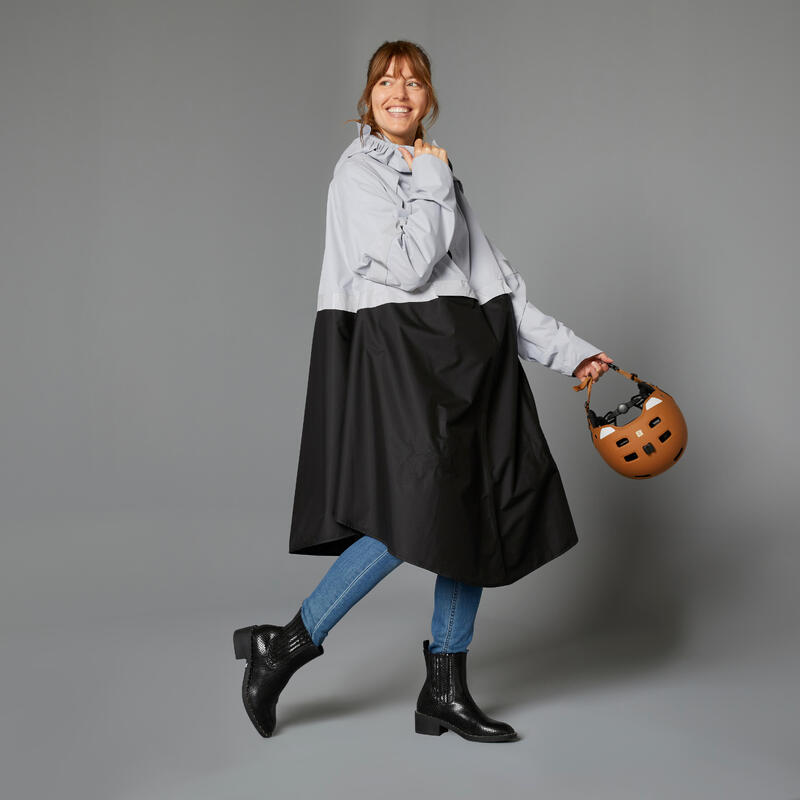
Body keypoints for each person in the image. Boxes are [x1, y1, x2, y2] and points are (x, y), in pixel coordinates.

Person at [233, 40, 612, 743]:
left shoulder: (439, 174)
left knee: (468, 517)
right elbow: (409, 267)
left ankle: (444, 691)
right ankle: (284, 647)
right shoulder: (359, 173)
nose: (399, 92)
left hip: (467, 367)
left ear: (428, 97)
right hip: (405, 362)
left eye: (412, 82)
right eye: (386, 81)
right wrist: (432, 182)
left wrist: (576, 356)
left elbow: (497, 289)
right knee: (407, 517)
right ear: (369, 97)